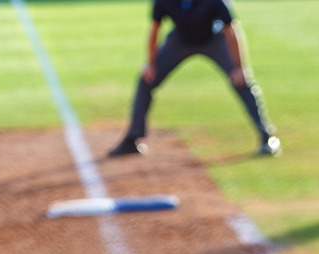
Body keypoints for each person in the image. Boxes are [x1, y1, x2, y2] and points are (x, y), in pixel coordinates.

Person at [107, 0, 276, 159]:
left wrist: (240, 68)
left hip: (213, 39)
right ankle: (132, 138)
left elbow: (230, 29)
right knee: (146, 80)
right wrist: (150, 64)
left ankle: (267, 137)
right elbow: (155, 28)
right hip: (180, 40)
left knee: (241, 80)